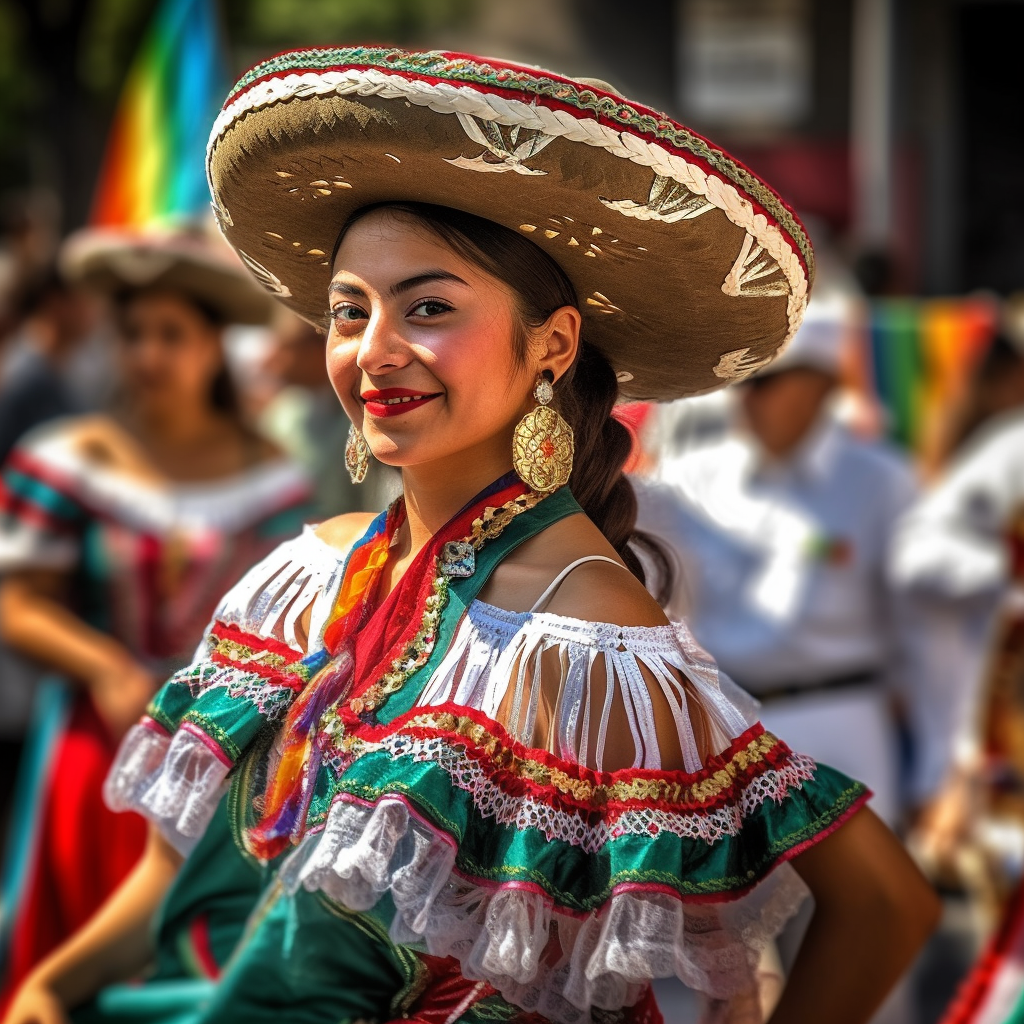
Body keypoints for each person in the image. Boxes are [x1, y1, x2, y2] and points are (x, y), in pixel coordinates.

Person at [4, 47, 938, 1024]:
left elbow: (882, 904)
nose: (376, 350)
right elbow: (181, 869)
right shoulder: (302, 575)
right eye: (348, 312)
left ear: (553, 344)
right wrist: (53, 984)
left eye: (430, 308)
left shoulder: (576, 620)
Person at [0, 227, 313, 1006]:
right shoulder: (68, 456)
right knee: (69, 950)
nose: (148, 354)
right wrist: (107, 667)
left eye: (172, 334)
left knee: (192, 958)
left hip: (224, 753)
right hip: (92, 745)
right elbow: (13, 598)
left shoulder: (274, 478)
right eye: (133, 333)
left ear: (214, 346)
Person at [636, 305, 959, 830]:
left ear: (822, 386)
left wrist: (936, 770)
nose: (747, 398)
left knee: (861, 907)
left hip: (843, 726)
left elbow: (930, 635)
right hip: (731, 733)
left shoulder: (881, 482)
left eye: (767, 381)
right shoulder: (692, 479)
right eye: (742, 381)